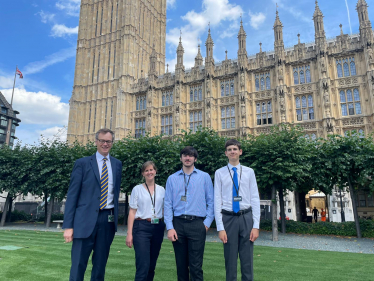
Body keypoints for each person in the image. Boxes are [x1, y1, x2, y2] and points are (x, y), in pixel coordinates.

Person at [63, 128, 122, 281]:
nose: (105, 144)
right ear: (96, 141)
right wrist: (68, 226)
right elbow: (72, 196)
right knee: (78, 265)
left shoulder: (117, 164)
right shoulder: (82, 163)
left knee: (100, 266)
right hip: (84, 220)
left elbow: (114, 193)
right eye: (102, 140)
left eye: (108, 141)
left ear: (112, 143)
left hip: (107, 220)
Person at [164, 146, 214, 281]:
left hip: (198, 224)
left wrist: (207, 223)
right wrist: (170, 227)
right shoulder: (172, 179)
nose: (187, 158)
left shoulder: (204, 177)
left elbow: (211, 201)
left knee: (196, 266)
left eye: (190, 155)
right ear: (181, 158)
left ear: (195, 159)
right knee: (181, 266)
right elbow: (167, 204)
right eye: (185, 155)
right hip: (178, 224)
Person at [214, 139, 260, 281]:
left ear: (240, 152)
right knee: (230, 261)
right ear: (226, 153)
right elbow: (217, 201)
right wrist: (220, 228)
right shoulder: (219, 173)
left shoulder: (249, 172)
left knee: (247, 261)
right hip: (228, 218)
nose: (232, 151)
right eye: (229, 149)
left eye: (235, 149)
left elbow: (255, 198)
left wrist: (256, 226)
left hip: (246, 217)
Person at [126, 161, 165, 281]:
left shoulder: (162, 189)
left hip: (158, 227)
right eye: (146, 170)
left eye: (151, 170)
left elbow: (164, 210)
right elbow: (132, 212)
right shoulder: (137, 189)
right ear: (143, 173)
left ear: (155, 171)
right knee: (143, 264)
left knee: (151, 265)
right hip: (141, 227)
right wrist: (129, 234)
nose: (149, 172)